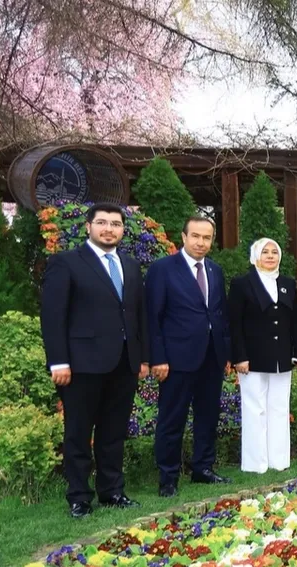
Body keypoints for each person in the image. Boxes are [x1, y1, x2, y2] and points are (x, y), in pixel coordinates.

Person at [40, 203, 148, 517]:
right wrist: (58, 361)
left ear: (122, 230)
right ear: (89, 227)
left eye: (115, 224)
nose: (109, 229)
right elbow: (53, 315)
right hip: (81, 364)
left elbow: (137, 315)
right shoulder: (67, 263)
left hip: (123, 363)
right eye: (102, 222)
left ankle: (112, 491)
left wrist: (141, 359)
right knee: (78, 432)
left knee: (113, 432)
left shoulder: (129, 265)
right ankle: (79, 497)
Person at [146, 217, 231, 497]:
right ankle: (168, 477)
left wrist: (226, 353)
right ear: (183, 237)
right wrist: (158, 358)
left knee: (208, 416)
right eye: (195, 236)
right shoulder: (163, 269)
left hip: (211, 356)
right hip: (176, 359)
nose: (201, 242)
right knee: (172, 418)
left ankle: (202, 468)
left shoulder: (215, 270)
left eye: (206, 238)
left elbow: (219, 314)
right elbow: (153, 317)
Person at [228, 238, 297, 474]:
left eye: (274, 252)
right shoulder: (242, 284)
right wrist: (239, 356)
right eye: (265, 252)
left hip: (282, 357)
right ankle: (255, 463)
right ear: (255, 256)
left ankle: (279, 460)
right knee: (255, 409)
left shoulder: (288, 283)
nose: (270, 256)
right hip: (252, 358)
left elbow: (296, 320)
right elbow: (235, 323)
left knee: (280, 408)